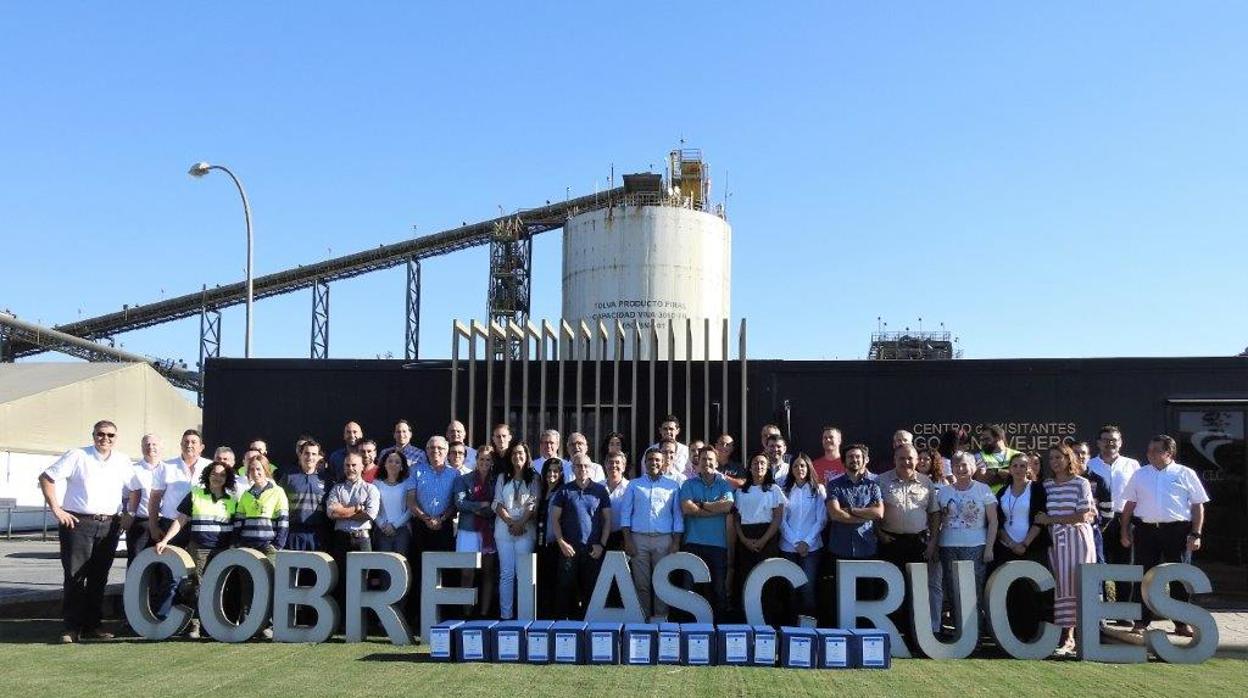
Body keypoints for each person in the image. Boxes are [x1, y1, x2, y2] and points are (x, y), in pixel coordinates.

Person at [40, 420, 137, 643]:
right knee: (75, 576)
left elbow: (135, 488)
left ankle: (93, 626)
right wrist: (57, 509)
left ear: (116, 437)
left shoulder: (122, 460)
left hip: (109, 525)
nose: (105, 439)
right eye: (101, 434)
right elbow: (47, 478)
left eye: (110, 435)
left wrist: (129, 513)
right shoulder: (77, 455)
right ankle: (71, 628)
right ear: (93, 435)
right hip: (78, 523)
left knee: (99, 577)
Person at [1119, 435, 1209, 637]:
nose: (1150, 454)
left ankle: (1181, 623)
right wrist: (1124, 530)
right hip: (1146, 531)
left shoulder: (1185, 473)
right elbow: (1129, 505)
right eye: (1149, 450)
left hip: (1177, 531)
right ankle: (1141, 622)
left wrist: (1196, 534)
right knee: (1144, 576)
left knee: (1179, 577)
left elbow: (1197, 505)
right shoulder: (1140, 474)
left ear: (1168, 453)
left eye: (1155, 450)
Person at [153, 460, 238, 639]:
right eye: (214, 473)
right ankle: (195, 625)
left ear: (227, 478)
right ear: (208, 475)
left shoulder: (233, 500)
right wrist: (166, 540)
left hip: (222, 550)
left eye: (222, 475)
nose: (218, 477)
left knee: (219, 588)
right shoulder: (196, 494)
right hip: (199, 549)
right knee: (197, 587)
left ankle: (213, 625)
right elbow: (180, 520)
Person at [1036, 443, 1096, 655]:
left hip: (1077, 539)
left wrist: (1050, 519)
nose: (1054, 462)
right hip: (1056, 542)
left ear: (1069, 458)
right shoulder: (1047, 485)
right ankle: (1066, 637)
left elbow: (1083, 515)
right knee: (1062, 587)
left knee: (1079, 584)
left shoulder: (1081, 483)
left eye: (1058, 458)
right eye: (1051, 459)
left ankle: (1083, 637)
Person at [876, 444, 940, 641]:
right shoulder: (881, 480)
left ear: (917, 460)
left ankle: (917, 636)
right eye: (902, 458)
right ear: (895, 460)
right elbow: (873, 510)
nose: (906, 462)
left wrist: (932, 543)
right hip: (890, 541)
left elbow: (935, 514)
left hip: (917, 543)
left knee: (917, 591)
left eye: (910, 458)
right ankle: (893, 635)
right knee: (891, 590)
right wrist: (878, 533)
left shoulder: (926, 482)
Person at [148, 429, 213, 619]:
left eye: (194, 442)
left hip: (199, 527)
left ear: (201, 447)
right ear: (181, 444)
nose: (189, 445)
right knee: (171, 573)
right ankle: (164, 617)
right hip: (171, 526)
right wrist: (153, 525)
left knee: (196, 574)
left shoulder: (210, 467)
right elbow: (154, 499)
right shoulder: (166, 466)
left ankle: (192, 618)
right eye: (186, 441)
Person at [933, 452, 998, 638]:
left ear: (973, 467)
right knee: (953, 592)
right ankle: (960, 635)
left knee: (973, 592)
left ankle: (974, 636)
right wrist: (936, 546)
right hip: (948, 546)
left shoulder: (983, 489)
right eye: (956, 465)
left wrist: (989, 548)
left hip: (976, 546)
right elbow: (937, 522)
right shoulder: (944, 491)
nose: (960, 469)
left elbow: (993, 521)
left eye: (964, 465)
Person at [620, 447, 684, 620]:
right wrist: (628, 541)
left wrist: (676, 541)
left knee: (662, 582)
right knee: (641, 584)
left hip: (664, 539)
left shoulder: (672, 485)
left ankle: (661, 619)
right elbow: (625, 514)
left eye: (657, 460)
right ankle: (643, 619)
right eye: (650, 460)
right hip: (638, 539)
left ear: (663, 463)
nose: (653, 463)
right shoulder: (634, 484)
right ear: (645, 463)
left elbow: (677, 516)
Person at [993, 452, 1048, 640]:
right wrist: (1011, 543)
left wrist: (1024, 544)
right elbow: (998, 523)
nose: (1018, 469)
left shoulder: (1037, 489)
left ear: (1029, 469)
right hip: (1006, 549)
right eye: (1015, 466)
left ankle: (1031, 634)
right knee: (1011, 592)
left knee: (1031, 592)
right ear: (1009, 469)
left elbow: (1040, 519)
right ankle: (1011, 634)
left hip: (1032, 549)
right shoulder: (1002, 492)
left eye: (1023, 466)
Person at [234, 453, 289, 639]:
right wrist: (238, 542)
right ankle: (250, 624)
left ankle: (270, 625)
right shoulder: (246, 495)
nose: (255, 472)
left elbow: (283, 521)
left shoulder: (277, 491)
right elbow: (239, 521)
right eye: (252, 469)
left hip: (268, 547)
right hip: (248, 547)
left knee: (270, 585)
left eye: (259, 469)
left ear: (265, 470)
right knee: (248, 585)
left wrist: (277, 545)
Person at [551, 458, 613, 620]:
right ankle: (563, 630)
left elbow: (607, 520)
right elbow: (554, 518)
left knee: (591, 591)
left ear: (591, 468)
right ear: (572, 468)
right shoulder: (564, 491)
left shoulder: (600, 491)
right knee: (564, 590)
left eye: (585, 466)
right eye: (578, 466)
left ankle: (589, 631)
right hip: (568, 550)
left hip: (593, 550)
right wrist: (561, 542)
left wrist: (602, 545)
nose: (582, 469)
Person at [1087, 425, 1142, 607]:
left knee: (1124, 565)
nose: (1109, 443)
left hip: (1124, 519)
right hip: (1098, 520)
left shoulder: (1132, 464)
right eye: (1105, 440)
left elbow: (1138, 493)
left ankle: (1124, 611)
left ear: (1120, 442)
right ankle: (1099, 609)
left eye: (1113, 440)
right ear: (1098, 443)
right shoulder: (1089, 465)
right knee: (1098, 563)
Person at [406, 435, 457, 627]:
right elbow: (410, 500)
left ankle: (445, 616)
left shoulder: (455, 474)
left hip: (444, 527)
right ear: (426, 451)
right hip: (421, 527)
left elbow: (455, 503)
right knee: (420, 571)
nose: (435, 452)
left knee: (445, 572)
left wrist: (441, 518)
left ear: (446, 451)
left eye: (439, 449)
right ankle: (420, 617)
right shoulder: (416, 471)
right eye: (431, 448)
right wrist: (426, 518)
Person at [679, 446, 735, 620]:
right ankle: (687, 629)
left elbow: (727, 506)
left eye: (710, 459)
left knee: (718, 590)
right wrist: (714, 508)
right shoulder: (689, 483)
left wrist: (701, 505)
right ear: (698, 462)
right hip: (692, 543)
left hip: (717, 545)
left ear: (717, 463)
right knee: (689, 589)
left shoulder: (723, 484)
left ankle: (717, 629)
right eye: (703, 459)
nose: (707, 463)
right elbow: (687, 508)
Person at [326, 451, 380, 620]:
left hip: (362, 538)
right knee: (341, 578)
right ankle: (343, 619)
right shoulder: (337, 488)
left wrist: (343, 511)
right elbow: (331, 513)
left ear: (362, 467)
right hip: (341, 538)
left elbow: (370, 514)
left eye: (354, 465)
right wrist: (356, 509)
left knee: (365, 578)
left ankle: (364, 619)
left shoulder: (371, 489)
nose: (350, 468)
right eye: (347, 465)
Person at [733, 454, 786, 623]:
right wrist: (743, 539)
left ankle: (769, 620)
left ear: (768, 467)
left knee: (768, 579)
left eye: (763, 463)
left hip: (767, 536)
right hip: (746, 537)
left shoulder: (774, 489)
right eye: (755, 463)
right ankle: (747, 620)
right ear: (749, 467)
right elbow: (736, 519)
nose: (759, 466)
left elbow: (777, 517)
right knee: (747, 578)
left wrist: (764, 539)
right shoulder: (741, 491)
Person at [493, 443, 540, 620]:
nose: (517, 456)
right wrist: (511, 523)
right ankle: (506, 616)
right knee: (506, 573)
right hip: (504, 531)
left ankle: (525, 617)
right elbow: (497, 502)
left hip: (526, 531)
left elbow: (533, 503)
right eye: (513, 453)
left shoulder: (534, 478)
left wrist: (521, 523)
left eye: (520, 453)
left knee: (524, 574)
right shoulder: (502, 477)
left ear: (527, 456)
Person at [779, 453, 827, 621]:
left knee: (808, 587)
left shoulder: (818, 489)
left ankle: (809, 627)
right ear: (791, 469)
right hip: (788, 547)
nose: (799, 469)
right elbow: (781, 521)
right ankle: (791, 627)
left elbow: (821, 519)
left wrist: (806, 542)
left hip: (812, 548)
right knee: (791, 588)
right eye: (795, 466)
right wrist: (795, 542)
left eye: (802, 466)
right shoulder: (784, 490)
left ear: (808, 468)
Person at [453, 442, 497, 618]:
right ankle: (467, 612)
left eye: (488, 459)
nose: (484, 462)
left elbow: (496, 505)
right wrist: (481, 505)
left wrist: (479, 508)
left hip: (489, 531)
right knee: (467, 573)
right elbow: (460, 503)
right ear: (476, 460)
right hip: (468, 531)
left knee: (488, 572)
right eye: (481, 459)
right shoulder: (463, 479)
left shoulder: (496, 481)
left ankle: (484, 613)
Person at [825, 444, 883, 564]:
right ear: (844, 461)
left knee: (866, 583)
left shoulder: (873, 485)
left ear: (864, 460)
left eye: (858, 456)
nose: (854, 460)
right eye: (850, 457)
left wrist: (850, 510)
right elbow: (835, 514)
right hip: (840, 548)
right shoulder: (833, 485)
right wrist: (865, 517)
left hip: (866, 547)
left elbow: (878, 512)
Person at [1067, 439, 1112, 565]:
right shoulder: (1062, 479)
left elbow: (1108, 510)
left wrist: (1096, 526)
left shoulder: (1099, 480)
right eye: (1075, 453)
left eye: (1083, 453)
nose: (1080, 456)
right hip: (1067, 533)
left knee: (1097, 568)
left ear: (1089, 456)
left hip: (1092, 532)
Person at [282, 439, 329, 553]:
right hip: (294, 533)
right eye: (306, 453)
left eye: (314, 454)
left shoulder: (326, 480)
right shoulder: (289, 478)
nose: (310, 457)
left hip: (318, 534)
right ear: (300, 455)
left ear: (318, 457)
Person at [534, 456, 566, 620]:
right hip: (539, 544)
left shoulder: (562, 492)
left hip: (554, 544)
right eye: (548, 470)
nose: (551, 474)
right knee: (541, 583)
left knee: (554, 583)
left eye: (556, 471)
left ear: (561, 474)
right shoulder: (540, 490)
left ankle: (554, 618)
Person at [124, 434, 163, 564]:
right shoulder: (132, 470)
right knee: (137, 562)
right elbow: (124, 496)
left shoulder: (168, 469)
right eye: (147, 444)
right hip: (140, 523)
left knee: (161, 565)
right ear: (141, 447)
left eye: (154, 444)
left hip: (163, 523)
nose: (150, 447)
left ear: (160, 446)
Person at [372, 449, 412, 559]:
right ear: (384, 464)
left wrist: (395, 525)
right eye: (390, 461)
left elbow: (410, 509)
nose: (393, 464)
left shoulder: (407, 483)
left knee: (401, 564)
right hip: (382, 530)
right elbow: (372, 508)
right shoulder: (376, 484)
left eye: (397, 462)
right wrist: (382, 525)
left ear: (402, 466)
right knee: (384, 565)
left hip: (402, 530)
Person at [603, 452, 630, 550]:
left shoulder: (631, 487)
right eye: (610, 462)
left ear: (623, 467)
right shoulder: (597, 487)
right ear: (605, 465)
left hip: (623, 537)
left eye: (617, 462)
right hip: (601, 537)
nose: (614, 465)